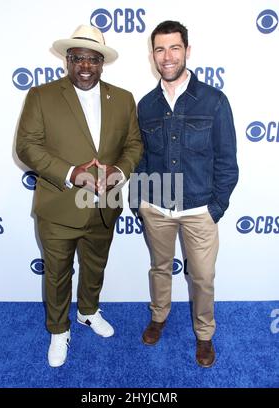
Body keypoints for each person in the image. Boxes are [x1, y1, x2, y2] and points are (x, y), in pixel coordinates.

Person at [16, 24, 143, 367]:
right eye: (77, 59)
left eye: (92, 59)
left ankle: (88, 311)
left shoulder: (123, 98)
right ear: (67, 60)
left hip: (105, 206)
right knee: (57, 272)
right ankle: (59, 329)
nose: (85, 66)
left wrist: (118, 171)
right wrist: (73, 174)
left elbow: (133, 144)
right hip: (59, 206)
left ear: (102, 63)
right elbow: (26, 146)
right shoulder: (41, 96)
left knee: (95, 266)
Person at [130, 20, 238, 367]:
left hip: (199, 209)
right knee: (160, 268)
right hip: (157, 207)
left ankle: (204, 334)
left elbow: (226, 159)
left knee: (203, 277)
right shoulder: (146, 105)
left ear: (187, 51)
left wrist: (215, 208)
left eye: (174, 48)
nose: (168, 56)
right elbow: (139, 159)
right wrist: (141, 203)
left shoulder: (214, 101)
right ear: (152, 56)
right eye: (160, 49)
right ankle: (159, 316)